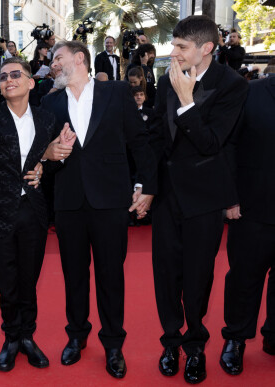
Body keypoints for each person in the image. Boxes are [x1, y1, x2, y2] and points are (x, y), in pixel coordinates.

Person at [41, 40, 157, 379]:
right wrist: (51, 151)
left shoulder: (117, 92)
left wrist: (148, 185)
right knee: (73, 275)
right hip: (68, 202)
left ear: (79, 59)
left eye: (58, 58)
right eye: (51, 60)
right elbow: (43, 154)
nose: (54, 65)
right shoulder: (49, 103)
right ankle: (76, 336)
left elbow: (140, 140)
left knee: (110, 275)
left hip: (109, 200)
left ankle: (113, 344)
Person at [148, 15, 248, 384]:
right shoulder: (165, 81)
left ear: (206, 48)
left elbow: (212, 142)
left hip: (205, 197)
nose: (172, 53)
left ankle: (195, 347)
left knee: (197, 277)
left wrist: (188, 102)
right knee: (165, 276)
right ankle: (170, 342)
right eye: (174, 45)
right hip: (167, 194)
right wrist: (147, 185)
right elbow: (157, 135)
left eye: (181, 47)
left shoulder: (233, 85)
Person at [0, 57, 60, 372]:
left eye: (16, 74)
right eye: (3, 75)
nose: (8, 79)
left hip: (33, 210)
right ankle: (11, 338)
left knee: (29, 280)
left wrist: (44, 163)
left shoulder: (47, 119)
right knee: (7, 282)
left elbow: (56, 162)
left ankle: (28, 338)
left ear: (32, 82)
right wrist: (35, 158)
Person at [219, 75, 275, 375]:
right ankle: (236, 339)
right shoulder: (249, 93)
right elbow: (227, 145)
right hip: (251, 207)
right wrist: (230, 198)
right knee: (244, 278)